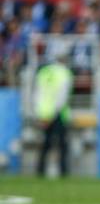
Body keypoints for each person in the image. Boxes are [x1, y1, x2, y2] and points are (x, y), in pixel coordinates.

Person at [34, 48, 74, 177]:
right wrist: (54, 113)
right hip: (58, 113)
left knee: (46, 143)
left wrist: (41, 114)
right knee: (62, 144)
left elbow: (37, 94)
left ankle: (40, 170)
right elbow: (62, 96)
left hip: (43, 113)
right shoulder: (64, 73)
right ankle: (64, 171)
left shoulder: (43, 72)